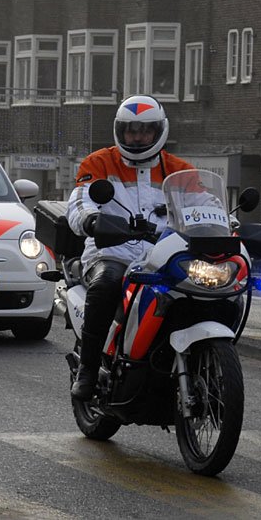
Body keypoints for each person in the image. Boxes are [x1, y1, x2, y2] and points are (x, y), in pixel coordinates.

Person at [66, 95, 195, 400]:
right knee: (107, 284)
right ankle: (89, 367)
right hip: (112, 252)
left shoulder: (179, 171)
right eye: (130, 130)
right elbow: (80, 202)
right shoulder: (98, 162)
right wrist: (91, 221)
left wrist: (223, 226)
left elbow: (205, 205)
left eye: (145, 130)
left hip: (163, 255)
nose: (137, 137)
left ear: (158, 131)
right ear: (120, 131)